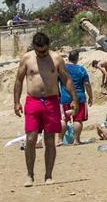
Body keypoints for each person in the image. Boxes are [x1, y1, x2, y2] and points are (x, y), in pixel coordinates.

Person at [12, 32, 79, 187]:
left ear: (49, 46)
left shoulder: (56, 58)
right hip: (33, 101)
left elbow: (66, 79)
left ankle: (48, 175)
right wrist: (16, 102)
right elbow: (19, 79)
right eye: (38, 51)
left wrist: (74, 99)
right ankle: (30, 175)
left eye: (44, 51)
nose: (41, 54)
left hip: (51, 101)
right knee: (30, 138)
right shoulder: (27, 59)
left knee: (50, 140)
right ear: (34, 47)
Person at [59, 50, 92, 144]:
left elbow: (55, 83)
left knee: (64, 119)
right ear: (77, 58)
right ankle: (76, 140)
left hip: (65, 97)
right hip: (79, 98)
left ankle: (60, 140)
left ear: (68, 57)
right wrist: (90, 96)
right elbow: (87, 84)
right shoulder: (81, 69)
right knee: (78, 119)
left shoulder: (62, 69)